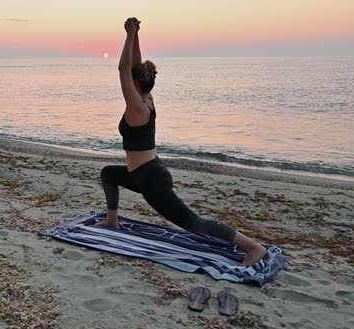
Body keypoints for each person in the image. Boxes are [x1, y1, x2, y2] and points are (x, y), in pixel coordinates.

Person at [98, 17, 267, 266]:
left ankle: (252, 247)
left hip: (150, 179)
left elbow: (124, 69)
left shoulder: (138, 108)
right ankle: (112, 220)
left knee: (192, 223)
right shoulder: (147, 98)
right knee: (109, 174)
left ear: (134, 85)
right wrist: (136, 34)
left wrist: (129, 34)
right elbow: (133, 67)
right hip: (143, 173)